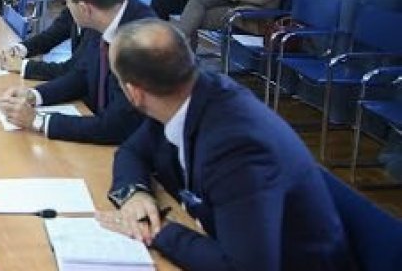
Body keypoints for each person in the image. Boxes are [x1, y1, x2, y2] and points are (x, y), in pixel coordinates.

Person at [98, 19, 353, 271]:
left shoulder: (236, 148)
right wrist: (135, 193)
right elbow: (132, 151)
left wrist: (158, 230)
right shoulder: (184, 92)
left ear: (134, 93)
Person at [0, 0, 156, 144]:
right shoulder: (104, 16)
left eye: (67, 1)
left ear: (84, 8)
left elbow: (117, 126)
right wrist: (34, 95)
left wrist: (38, 121)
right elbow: (82, 74)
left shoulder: (142, 42)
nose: (66, 8)